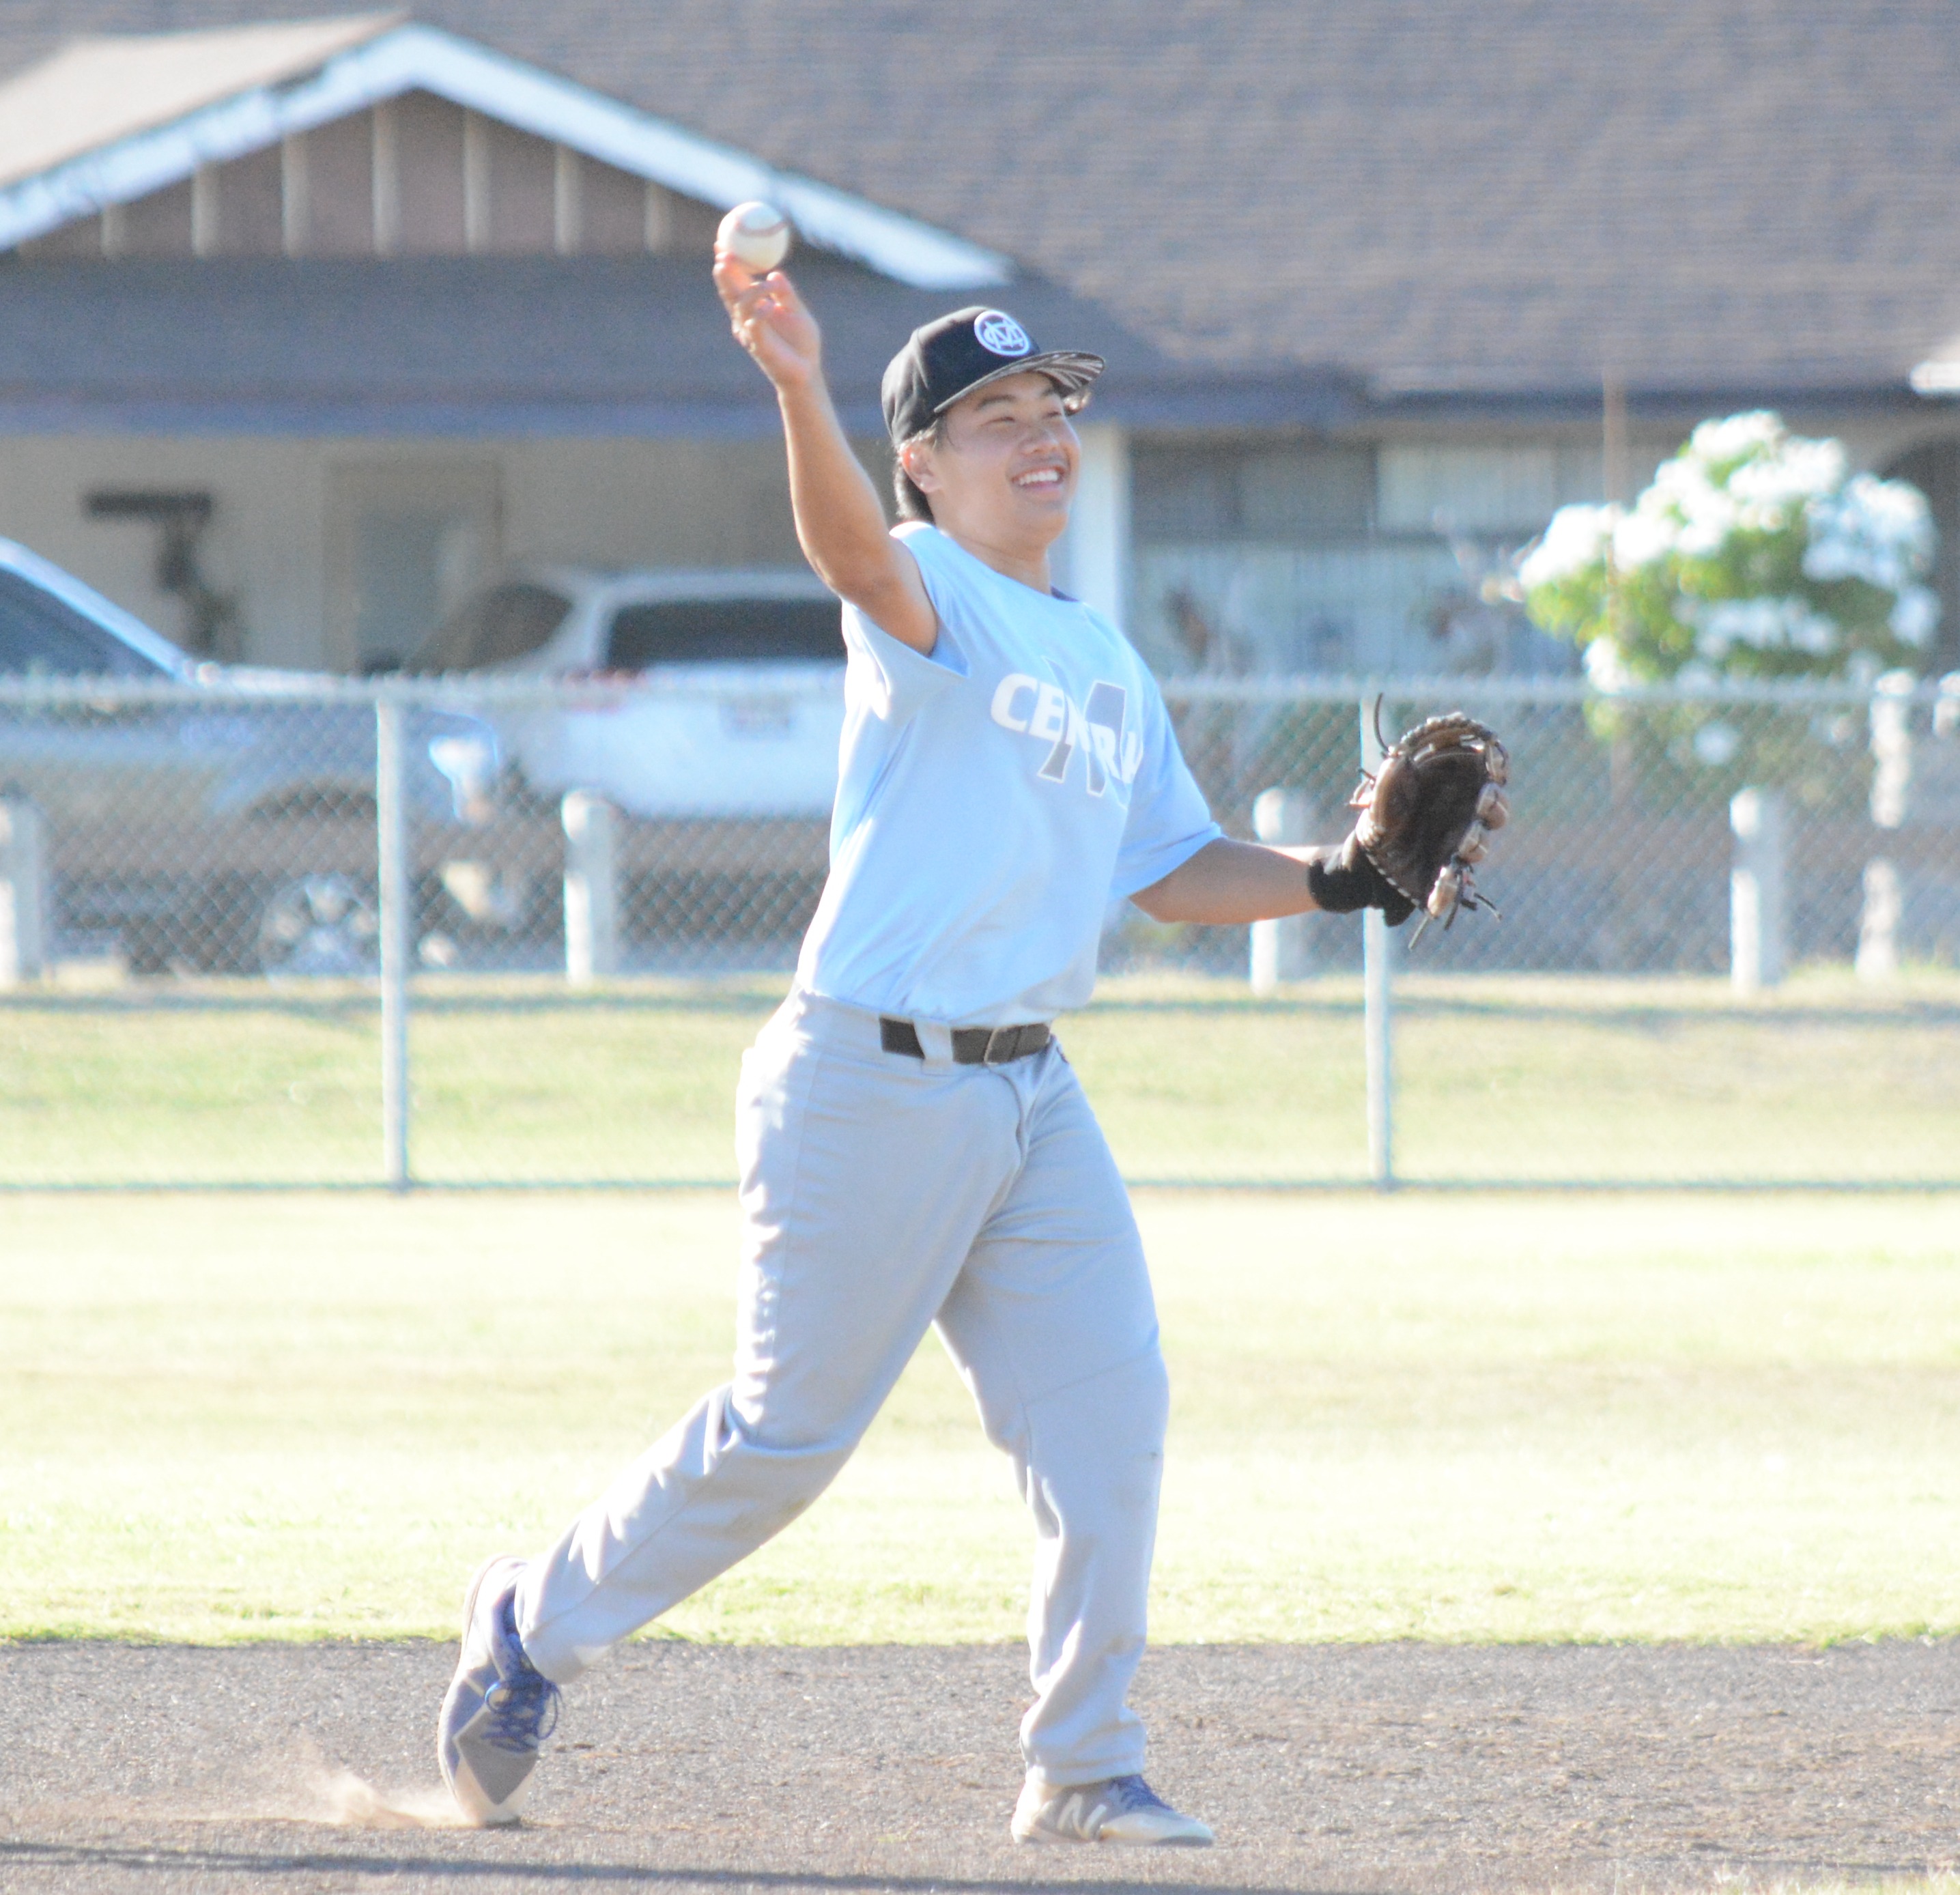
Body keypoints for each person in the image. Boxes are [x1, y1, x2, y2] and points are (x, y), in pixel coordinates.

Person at [436, 248, 1414, 1847]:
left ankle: (1083, 1762)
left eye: (1050, 408)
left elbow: (1167, 871)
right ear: (923, 462)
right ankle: (530, 1622)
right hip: (865, 1081)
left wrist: (1332, 876)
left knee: (1109, 1418)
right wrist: (792, 384)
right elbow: (836, 545)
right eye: (990, 416)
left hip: (1032, 1086)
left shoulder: (1102, 657)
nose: (1037, 436)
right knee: (781, 1443)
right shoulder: (920, 583)